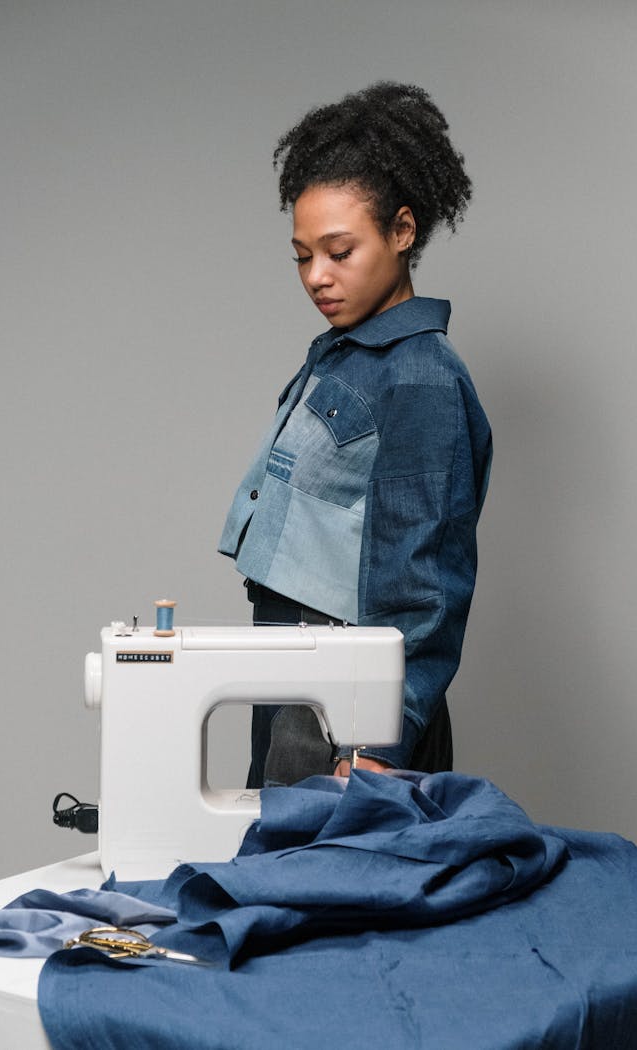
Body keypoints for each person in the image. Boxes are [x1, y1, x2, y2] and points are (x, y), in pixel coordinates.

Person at [219, 82, 492, 788]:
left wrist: (375, 745)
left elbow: (427, 575)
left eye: (339, 250)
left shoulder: (421, 378)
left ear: (403, 230)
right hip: (298, 673)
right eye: (302, 255)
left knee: (317, 882)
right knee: (275, 876)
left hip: (347, 702)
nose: (317, 276)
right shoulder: (349, 355)